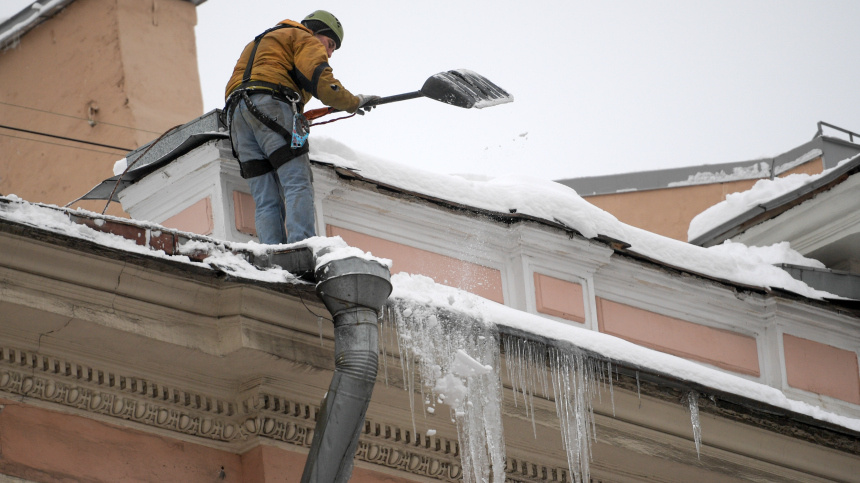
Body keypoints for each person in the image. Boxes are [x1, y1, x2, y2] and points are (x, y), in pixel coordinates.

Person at [224, 10, 378, 244]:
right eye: (330, 44)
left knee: (266, 198)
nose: (329, 53)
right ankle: (302, 248)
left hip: (237, 117)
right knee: (297, 181)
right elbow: (322, 83)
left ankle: (272, 256)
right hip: (271, 105)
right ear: (315, 32)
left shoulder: (262, 42)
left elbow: (264, 87)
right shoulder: (304, 37)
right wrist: (353, 102)